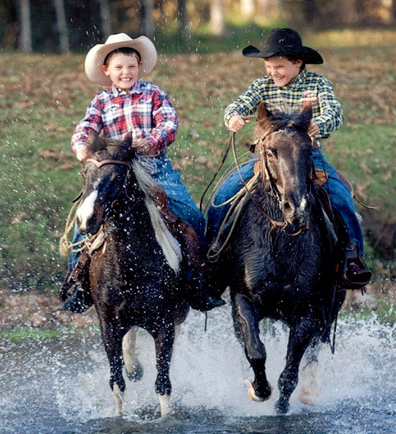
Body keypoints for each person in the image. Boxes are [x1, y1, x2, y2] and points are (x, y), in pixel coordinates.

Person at [60, 33, 225, 312]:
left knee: (191, 215)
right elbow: (85, 127)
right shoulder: (101, 102)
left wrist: (150, 141)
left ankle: (195, 279)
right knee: (84, 220)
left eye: (131, 67)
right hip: (114, 172)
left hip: (153, 168)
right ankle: (79, 282)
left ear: (139, 67)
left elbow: (169, 122)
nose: (125, 73)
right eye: (119, 68)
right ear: (107, 71)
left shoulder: (153, 93)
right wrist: (82, 147)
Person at [206, 28, 371, 289]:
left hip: (308, 158)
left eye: (279, 66)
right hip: (269, 160)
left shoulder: (317, 85)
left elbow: (334, 110)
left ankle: (352, 256)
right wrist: (233, 117)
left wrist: (320, 123)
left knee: (340, 197)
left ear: (298, 63)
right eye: (269, 67)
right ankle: (214, 253)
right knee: (224, 195)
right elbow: (238, 104)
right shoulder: (261, 86)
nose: (274, 72)